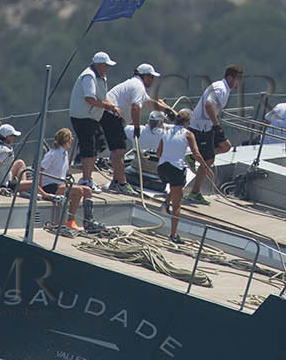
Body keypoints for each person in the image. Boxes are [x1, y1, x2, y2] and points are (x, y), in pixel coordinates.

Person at [103, 63, 171, 195]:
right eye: (151, 77)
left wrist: (168, 110)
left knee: (119, 151)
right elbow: (136, 107)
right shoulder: (138, 86)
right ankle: (122, 184)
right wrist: (136, 127)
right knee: (119, 151)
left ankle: (116, 182)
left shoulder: (135, 85)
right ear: (145, 76)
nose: (152, 80)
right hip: (112, 117)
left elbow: (150, 102)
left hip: (110, 116)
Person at [186, 65, 242, 205]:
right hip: (202, 128)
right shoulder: (220, 88)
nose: (239, 83)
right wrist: (216, 124)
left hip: (208, 126)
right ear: (230, 77)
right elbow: (209, 105)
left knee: (226, 146)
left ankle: (193, 156)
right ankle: (195, 192)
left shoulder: (225, 89)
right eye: (238, 79)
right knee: (209, 160)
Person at [69, 51, 119, 186]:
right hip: (83, 117)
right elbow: (90, 98)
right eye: (105, 65)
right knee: (88, 148)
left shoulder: (101, 77)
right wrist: (108, 106)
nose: (107, 68)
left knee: (98, 146)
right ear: (98, 65)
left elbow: (102, 97)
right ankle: (86, 179)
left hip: (93, 117)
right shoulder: (89, 76)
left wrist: (111, 105)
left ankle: (88, 177)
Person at [155, 110, 204, 244]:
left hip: (162, 167)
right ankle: (173, 235)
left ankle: (165, 203)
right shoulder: (188, 134)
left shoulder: (165, 132)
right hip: (175, 169)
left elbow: (158, 153)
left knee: (178, 187)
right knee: (177, 204)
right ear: (187, 122)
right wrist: (206, 168)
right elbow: (196, 154)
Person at [39, 127, 93, 233]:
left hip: (59, 184)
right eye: (70, 138)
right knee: (78, 191)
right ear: (66, 140)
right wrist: (41, 190)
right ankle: (70, 220)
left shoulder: (65, 153)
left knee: (87, 190)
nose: (72, 140)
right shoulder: (53, 153)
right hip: (50, 185)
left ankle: (88, 221)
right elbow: (40, 170)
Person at [0, 124, 26, 193]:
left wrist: (1, 130)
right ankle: (44, 195)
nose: (14, 138)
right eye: (13, 136)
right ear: (8, 137)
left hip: (0, 176)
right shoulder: (4, 152)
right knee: (34, 183)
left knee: (20, 163)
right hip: (1, 183)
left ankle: (22, 189)